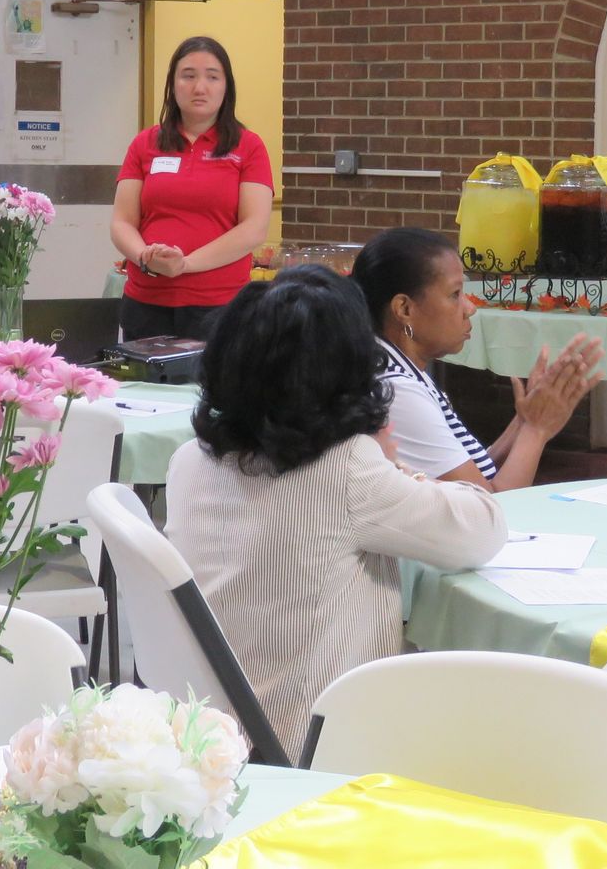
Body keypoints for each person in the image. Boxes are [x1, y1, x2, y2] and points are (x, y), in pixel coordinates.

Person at [165, 265, 505, 760]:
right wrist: (398, 465)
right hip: (308, 739)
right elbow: (483, 529)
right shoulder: (345, 469)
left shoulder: (189, 460)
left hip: (200, 733)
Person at [351, 227, 604, 489]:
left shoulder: (398, 368)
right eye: (455, 294)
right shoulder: (396, 390)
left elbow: (472, 474)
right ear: (404, 308)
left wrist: (525, 421)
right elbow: (488, 509)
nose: (470, 308)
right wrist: (536, 430)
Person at [110, 36, 273, 341]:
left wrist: (184, 265)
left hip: (219, 308)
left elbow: (254, 228)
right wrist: (146, 258)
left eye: (212, 77)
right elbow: (121, 222)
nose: (200, 87)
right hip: (145, 303)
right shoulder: (144, 143)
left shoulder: (249, 146)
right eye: (188, 76)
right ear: (173, 85)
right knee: (140, 389)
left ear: (227, 87)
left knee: (214, 390)